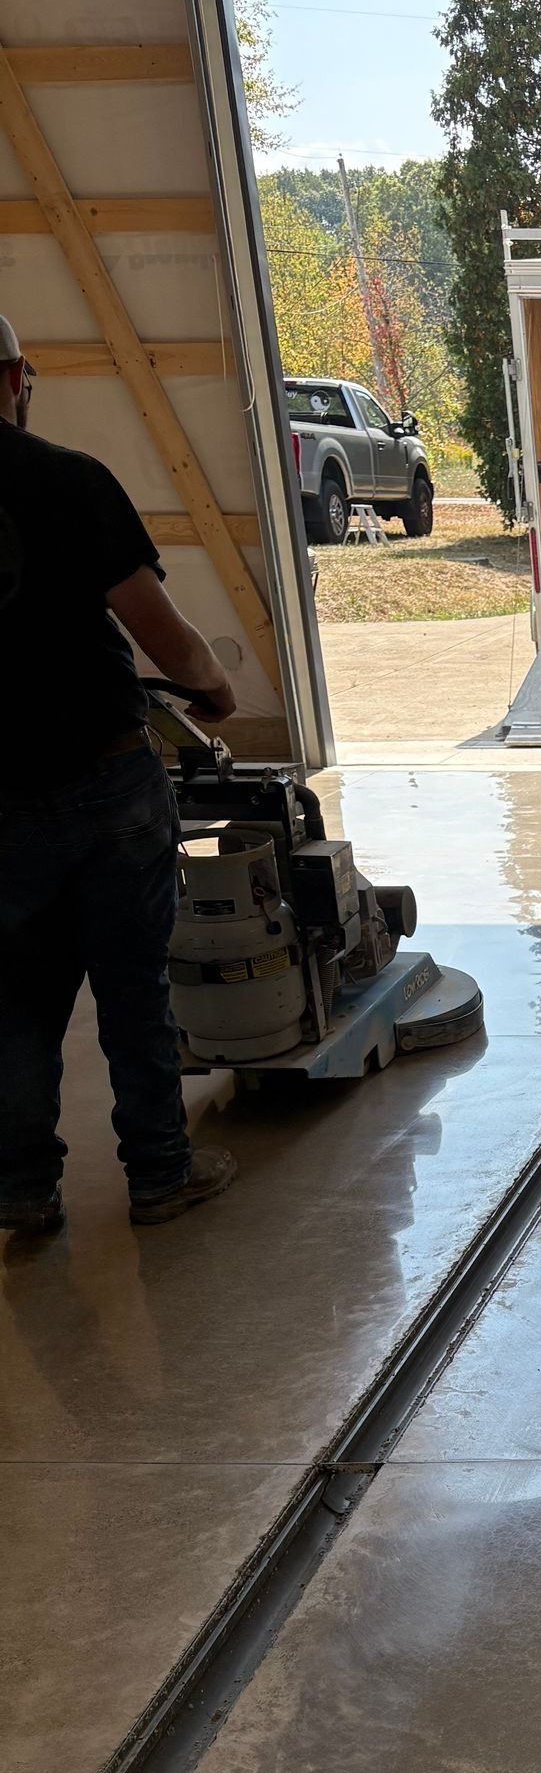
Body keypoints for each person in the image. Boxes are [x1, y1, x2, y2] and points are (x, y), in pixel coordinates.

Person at [0, 310, 240, 1234]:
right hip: (104, 779)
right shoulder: (65, 480)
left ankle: (21, 1187)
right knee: (134, 981)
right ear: (17, 377)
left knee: (15, 995)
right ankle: (159, 1171)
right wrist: (212, 688)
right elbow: (161, 634)